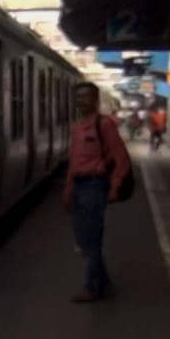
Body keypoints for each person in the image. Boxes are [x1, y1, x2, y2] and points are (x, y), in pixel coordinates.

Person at [63, 82, 131, 303]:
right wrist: (68, 190)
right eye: (78, 97)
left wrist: (114, 187)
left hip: (94, 186)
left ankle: (92, 288)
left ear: (95, 99)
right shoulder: (77, 127)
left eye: (85, 96)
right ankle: (105, 285)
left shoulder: (104, 125)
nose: (81, 101)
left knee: (90, 240)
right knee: (83, 239)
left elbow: (121, 159)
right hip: (79, 186)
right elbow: (74, 162)